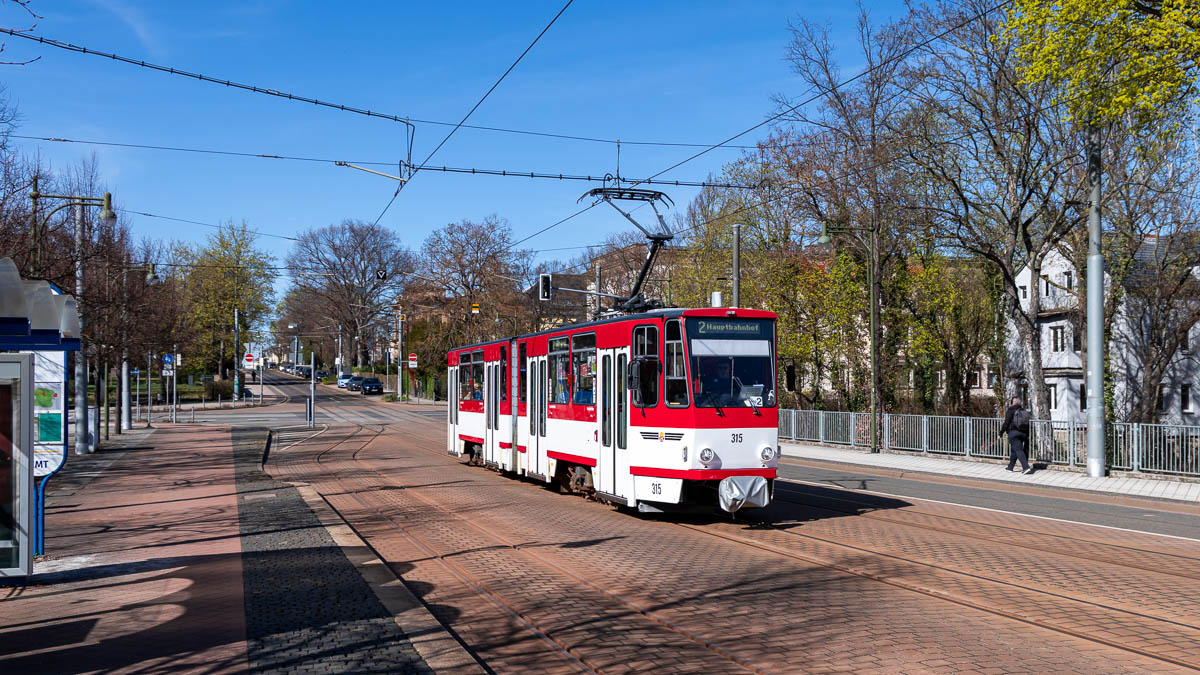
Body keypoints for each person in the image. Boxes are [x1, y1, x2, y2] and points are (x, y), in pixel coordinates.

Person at [999, 397, 1033, 474]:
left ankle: (1026, 467)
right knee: (1014, 450)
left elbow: (1006, 423)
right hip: (1023, 433)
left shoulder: (1011, 410)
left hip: (1013, 433)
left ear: (1012, 402)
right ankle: (1010, 467)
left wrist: (1000, 433)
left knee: (1018, 450)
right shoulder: (1023, 410)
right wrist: (1027, 435)